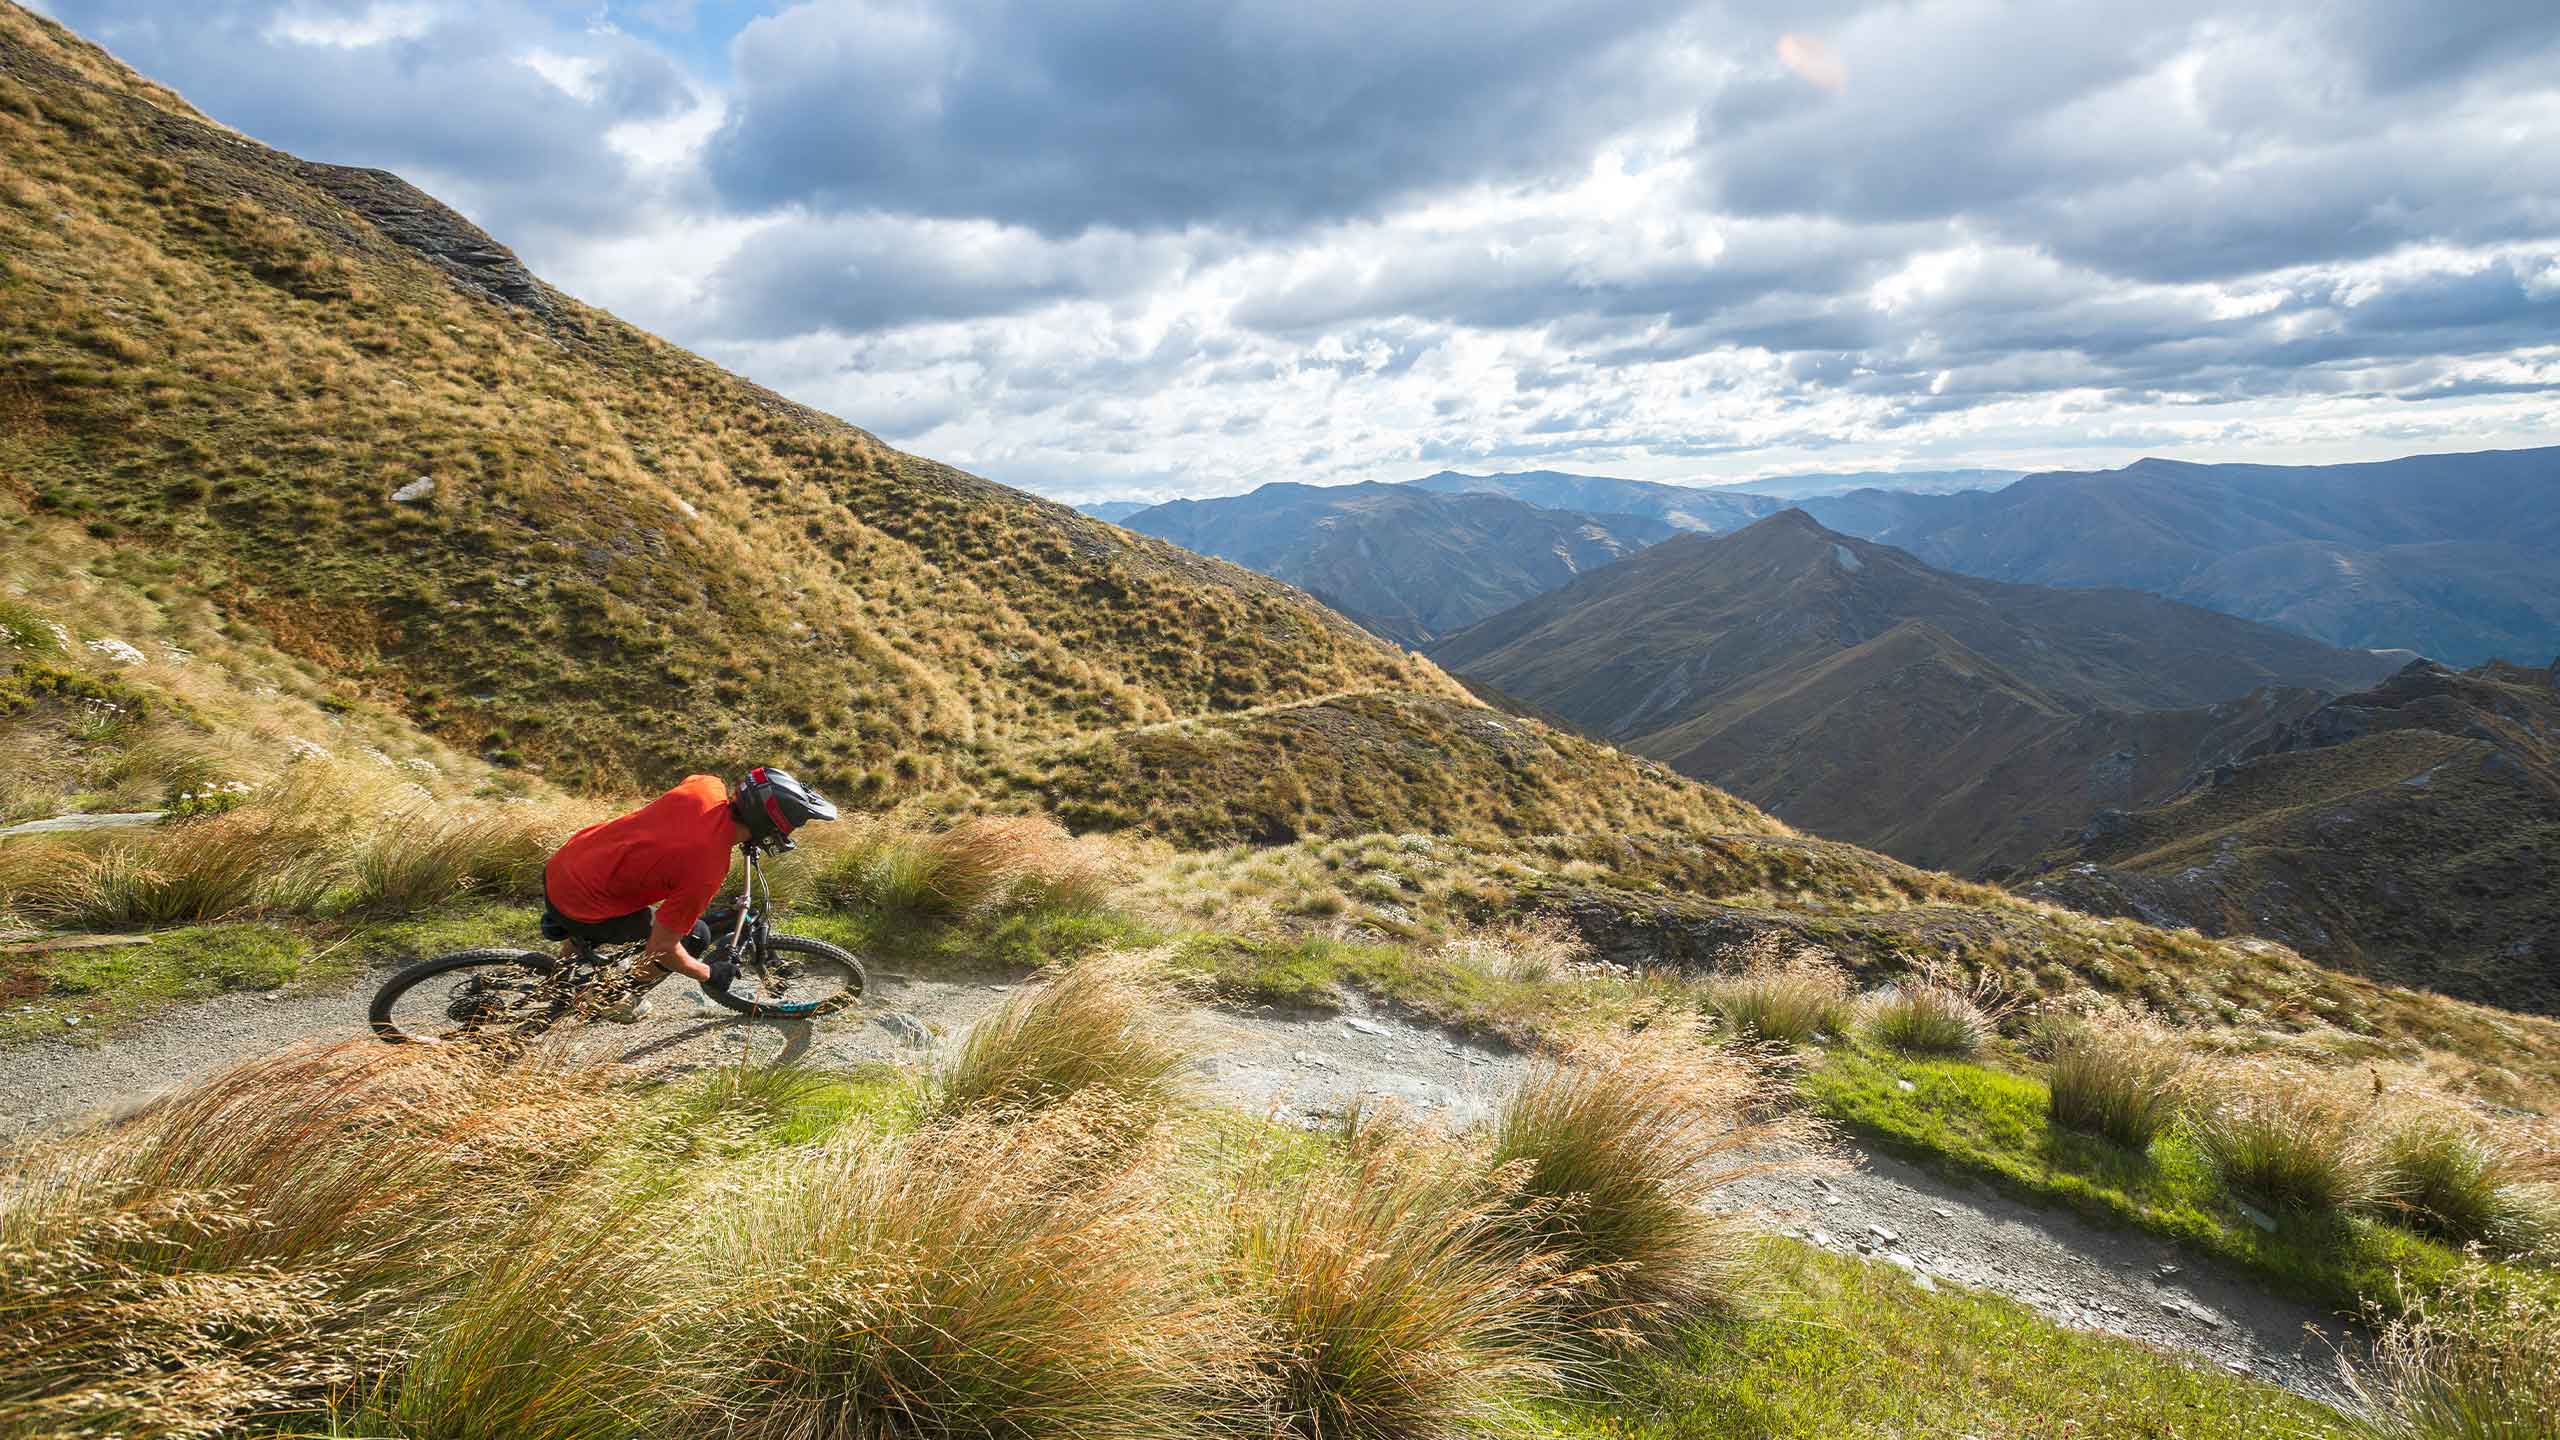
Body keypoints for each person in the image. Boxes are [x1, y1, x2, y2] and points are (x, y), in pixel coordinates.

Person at [539, 766, 838, 1021]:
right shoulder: (707, 868)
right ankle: (613, 997)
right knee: (696, 936)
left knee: (607, 903)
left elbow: (690, 811)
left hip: (570, 862)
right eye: (788, 830)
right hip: (581, 901)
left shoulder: (707, 786)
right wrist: (708, 973)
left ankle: (562, 968)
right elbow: (663, 947)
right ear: (769, 826)